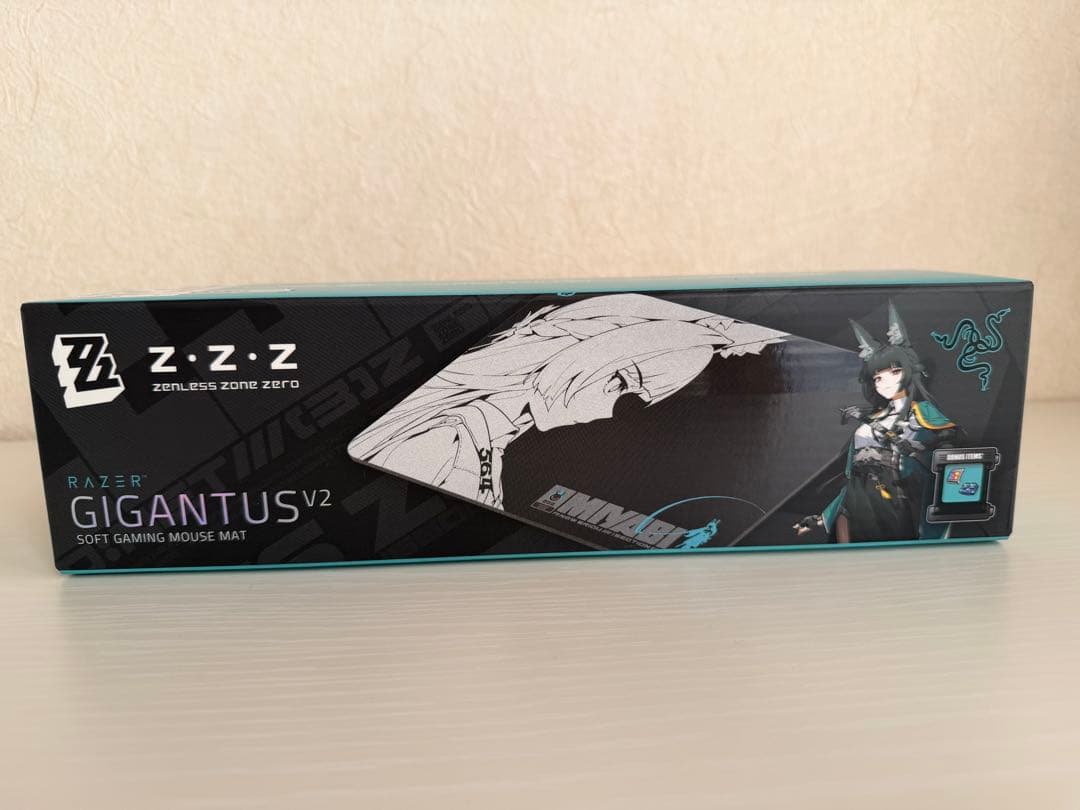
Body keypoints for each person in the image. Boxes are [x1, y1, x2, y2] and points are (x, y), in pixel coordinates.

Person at [349, 293, 786, 509]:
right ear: (577, 349)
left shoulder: (484, 444)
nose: (609, 410)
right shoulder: (447, 440)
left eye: (633, 399)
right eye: (620, 381)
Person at [794, 302, 961, 542]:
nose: (884, 382)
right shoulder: (868, 422)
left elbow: (948, 462)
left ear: (909, 370)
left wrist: (921, 451)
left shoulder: (924, 415)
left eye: (894, 372)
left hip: (894, 507)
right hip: (853, 508)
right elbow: (852, 483)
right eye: (877, 378)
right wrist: (821, 517)